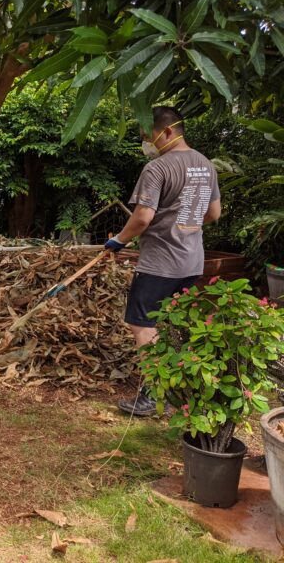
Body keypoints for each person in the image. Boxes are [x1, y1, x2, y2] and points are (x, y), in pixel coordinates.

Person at [104, 106, 222, 416]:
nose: (148, 143)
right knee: (166, 324)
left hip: (160, 263)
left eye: (149, 136)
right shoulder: (206, 165)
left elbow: (143, 217)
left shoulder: (157, 168)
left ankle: (151, 396)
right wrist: (185, 222)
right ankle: (177, 391)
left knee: (141, 324)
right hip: (191, 262)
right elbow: (213, 214)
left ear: (167, 131)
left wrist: (119, 239)